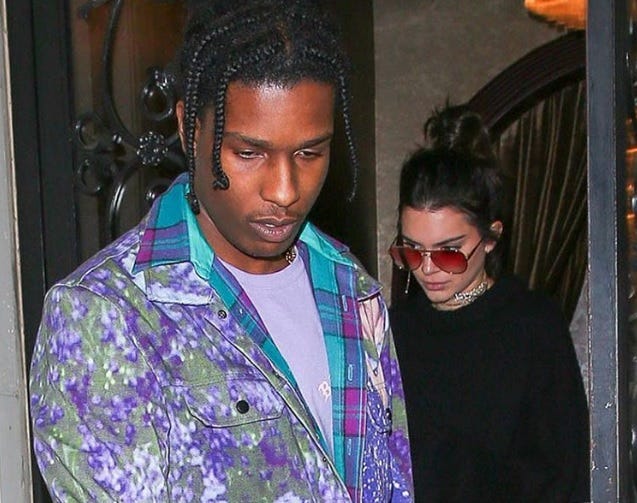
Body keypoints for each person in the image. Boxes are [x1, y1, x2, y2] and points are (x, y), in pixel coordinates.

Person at [29, 1, 413, 501]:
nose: (284, 190)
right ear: (190, 130)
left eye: (309, 153)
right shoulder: (105, 316)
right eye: (249, 153)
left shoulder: (352, 285)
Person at [388, 103, 589, 502]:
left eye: (448, 252)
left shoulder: (533, 327)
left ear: (492, 237)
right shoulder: (391, 331)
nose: (427, 269)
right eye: (411, 250)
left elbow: (567, 474)